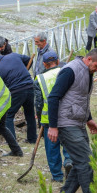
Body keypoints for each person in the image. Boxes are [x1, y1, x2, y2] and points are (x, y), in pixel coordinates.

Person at [48, 48, 97, 193]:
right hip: (66, 123)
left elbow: (80, 98)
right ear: (89, 59)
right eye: (96, 66)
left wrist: (89, 119)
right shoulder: (70, 71)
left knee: (80, 163)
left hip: (78, 122)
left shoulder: (87, 72)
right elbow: (53, 97)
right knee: (86, 161)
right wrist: (53, 126)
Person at [34, 51, 73, 182]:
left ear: (44, 64)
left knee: (52, 148)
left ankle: (57, 176)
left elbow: (39, 103)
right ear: (57, 61)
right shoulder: (68, 72)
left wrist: (40, 119)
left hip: (49, 119)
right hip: (67, 116)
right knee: (68, 142)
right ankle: (68, 161)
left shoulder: (40, 79)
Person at [0, 49, 37, 144]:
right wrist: (25, 69)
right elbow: (29, 59)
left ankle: (12, 140)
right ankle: (32, 139)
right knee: (30, 114)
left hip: (17, 91)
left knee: (8, 115)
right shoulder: (14, 55)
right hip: (30, 86)